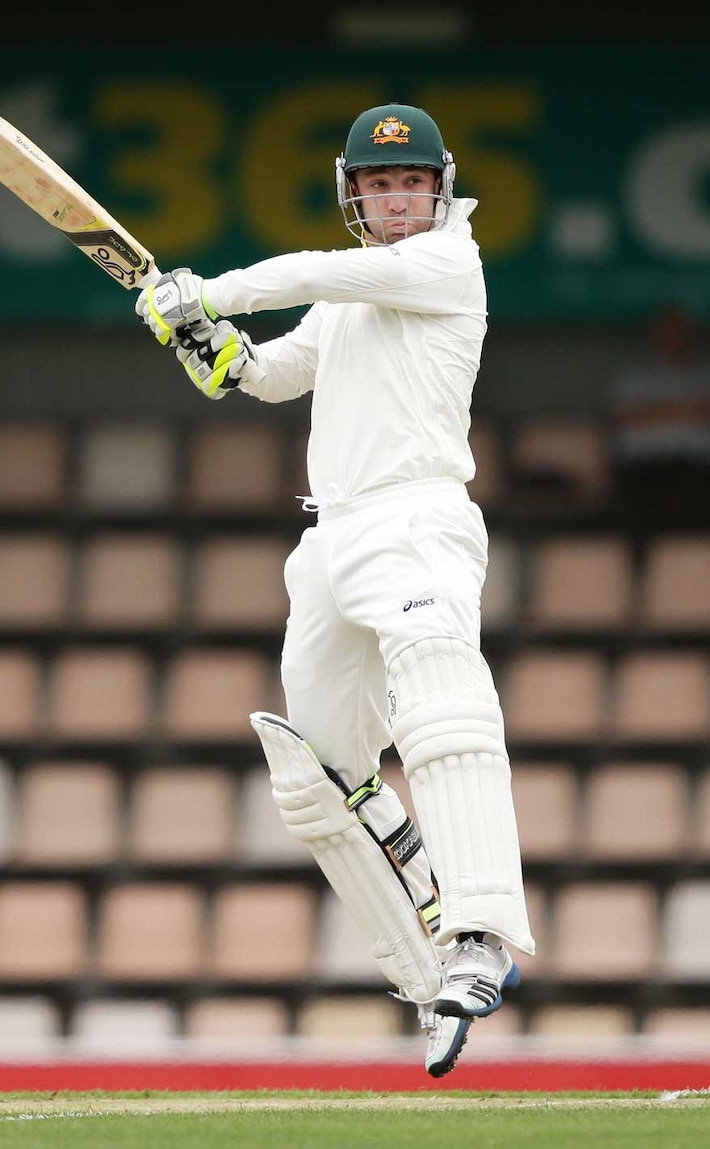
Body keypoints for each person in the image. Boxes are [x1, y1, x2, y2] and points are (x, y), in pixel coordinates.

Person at [136, 102, 535, 1077]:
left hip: (417, 519)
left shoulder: (444, 263)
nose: (397, 198)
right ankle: (419, 941)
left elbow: (308, 270)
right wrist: (214, 351)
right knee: (316, 767)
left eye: (411, 182)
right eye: (379, 184)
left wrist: (203, 291)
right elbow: (272, 375)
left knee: (439, 707)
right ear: (354, 192)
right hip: (333, 535)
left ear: (437, 188)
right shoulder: (354, 301)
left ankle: (481, 932)